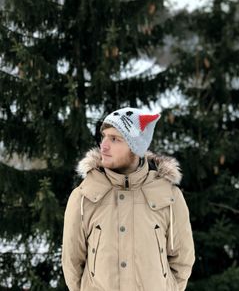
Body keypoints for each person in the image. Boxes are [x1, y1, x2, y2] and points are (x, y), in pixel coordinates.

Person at [62, 107, 195, 291]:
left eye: (115, 139)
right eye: (104, 137)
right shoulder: (84, 196)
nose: (104, 146)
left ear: (135, 147)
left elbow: (182, 260)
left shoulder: (169, 195)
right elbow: (72, 262)